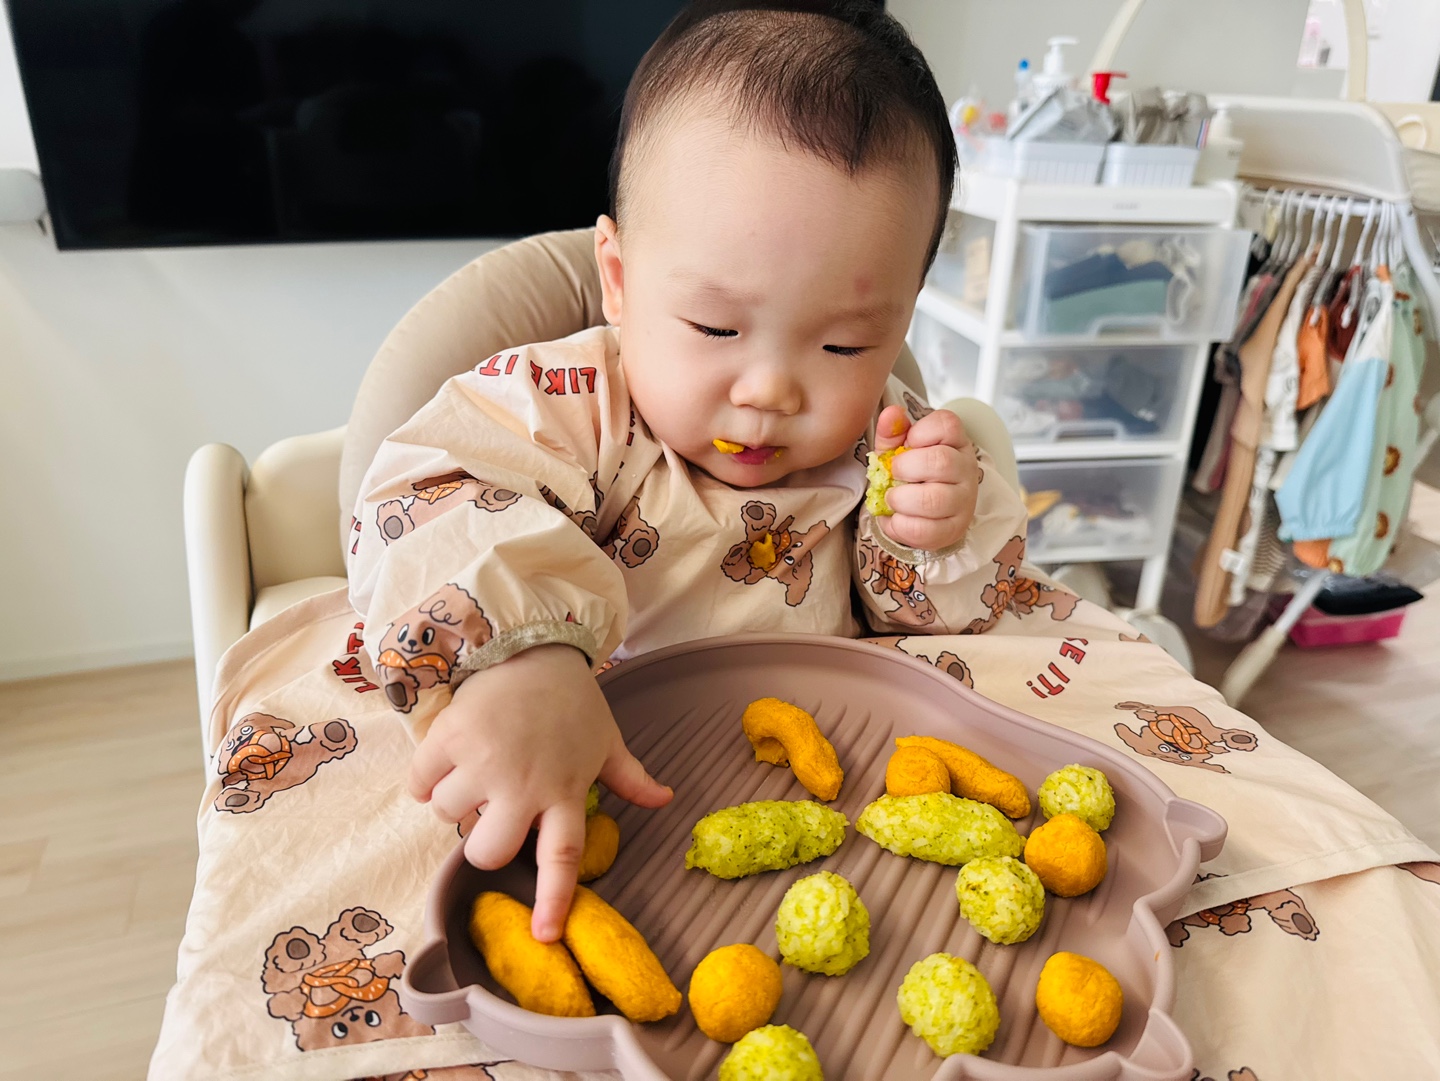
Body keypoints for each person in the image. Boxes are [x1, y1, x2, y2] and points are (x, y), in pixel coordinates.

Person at [347, 0, 1032, 942]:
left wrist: (938, 532)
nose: (770, 390)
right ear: (619, 280)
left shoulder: (886, 441)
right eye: (716, 327)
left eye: (842, 344)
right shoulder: (567, 405)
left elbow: (945, 623)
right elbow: (425, 495)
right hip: (586, 759)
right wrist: (522, 656)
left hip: (821, 776)